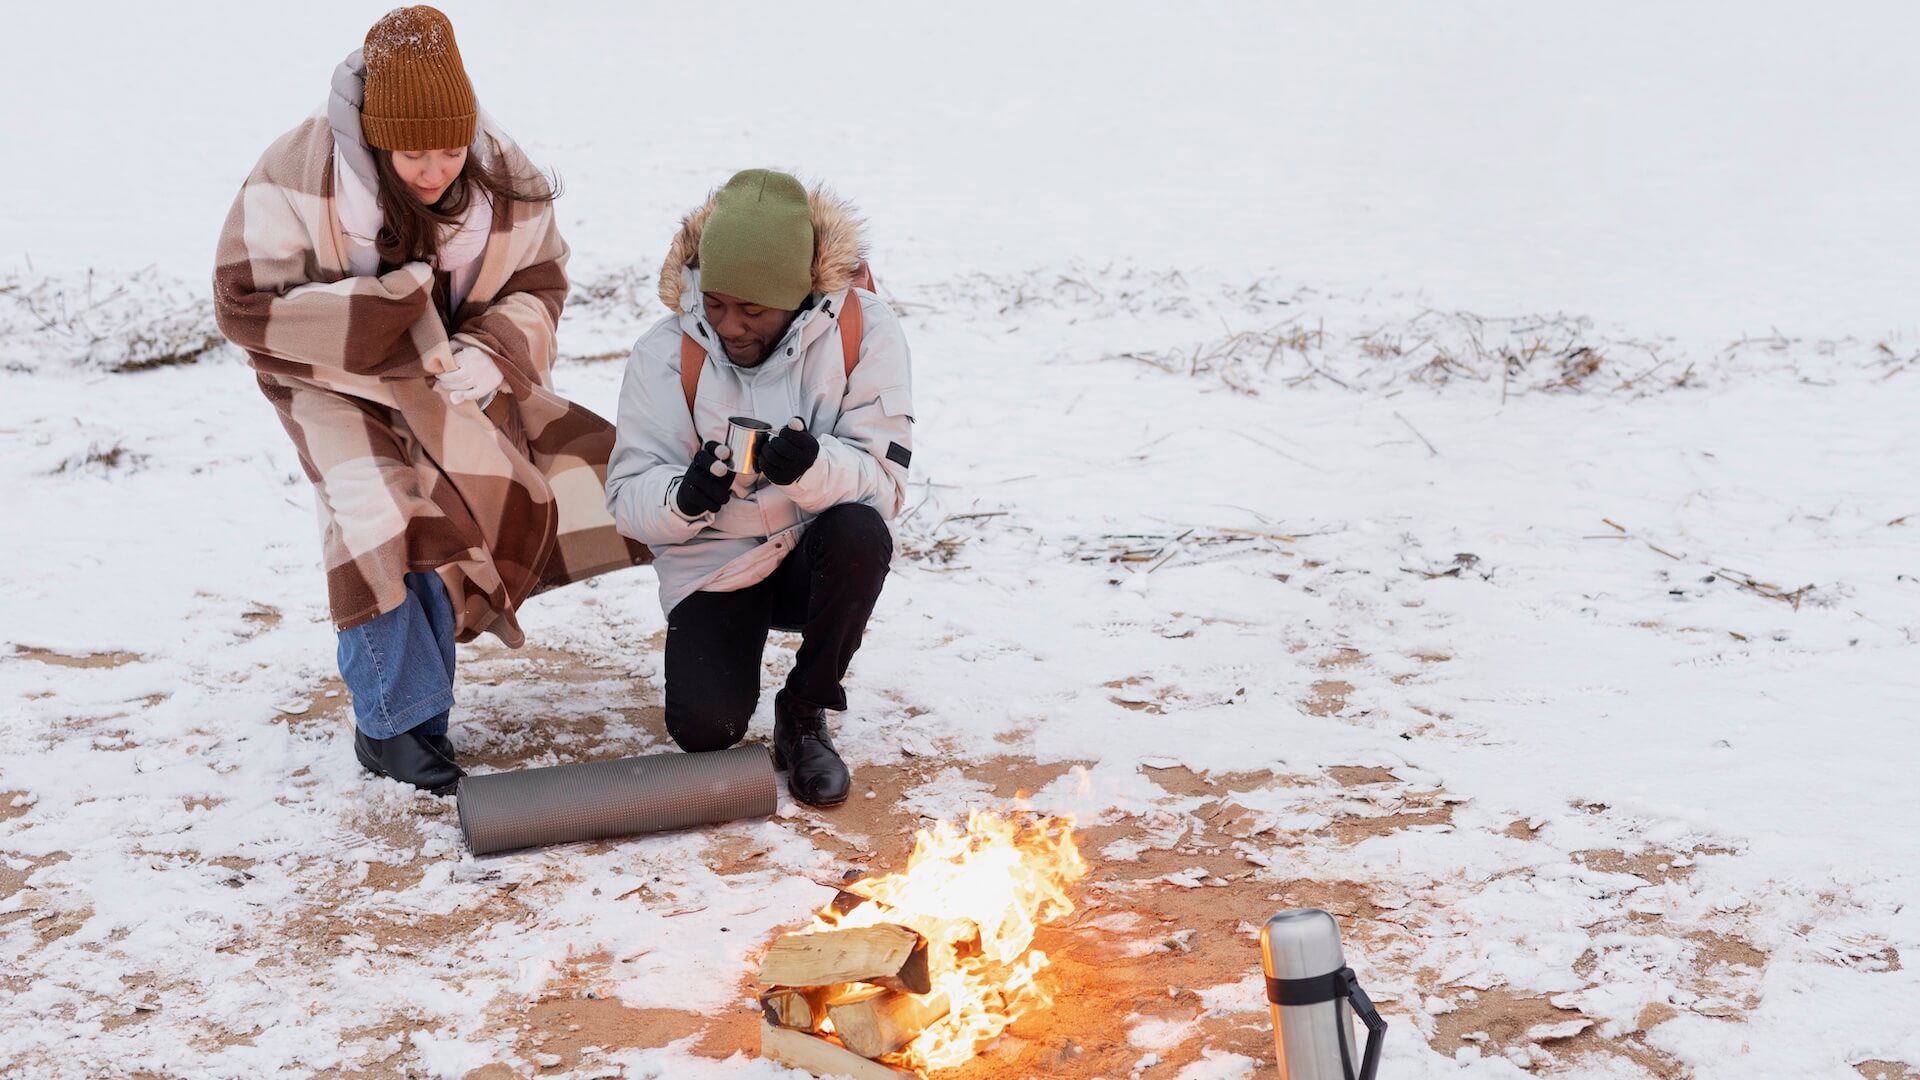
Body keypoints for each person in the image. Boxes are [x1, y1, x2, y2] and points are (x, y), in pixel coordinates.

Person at [213, 7, 647, 796]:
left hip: (449, 377)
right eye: (414, 153)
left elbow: (540, 281)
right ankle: (392, 727)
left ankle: (421, 712)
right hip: (327, 375)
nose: (435, 170)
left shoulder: (501, 171)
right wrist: (391, 310)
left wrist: (494, 350)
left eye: (450, 150)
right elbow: (241, 303)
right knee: (377, 515)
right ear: (376, 136)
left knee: (451, 522)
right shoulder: (296, 170)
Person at [607, 170, 914, 807]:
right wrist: (685, 498)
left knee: (861, 533)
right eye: (717, 303)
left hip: (812, 553)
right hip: (718, 560)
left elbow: (885, 485)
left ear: (799, 295)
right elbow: (627, 494)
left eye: (753, 310)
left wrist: (811, 468)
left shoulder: (863, 331)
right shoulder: (666, 351)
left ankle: (804, 711)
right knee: (705, 732)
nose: (730, 326)